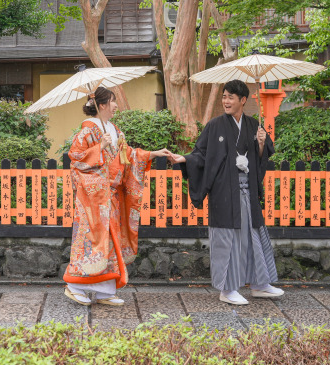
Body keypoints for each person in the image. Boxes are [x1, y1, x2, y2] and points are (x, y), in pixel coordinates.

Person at [168, 80, 282, 305]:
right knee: (227, 239)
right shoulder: (215, 125)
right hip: (224, 191)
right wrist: (185, 159)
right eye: (224, 96)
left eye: (231, 97)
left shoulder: (253, 125)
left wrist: (260, 144)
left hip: (247, 189)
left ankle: (260, 283)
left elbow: (263, 156)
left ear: (243, 100)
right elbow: (201, 154)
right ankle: (227, 289)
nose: (226, 101)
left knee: (254, 235)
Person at [63, 86, 170, 306]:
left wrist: (153, 153)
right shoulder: (88, 131)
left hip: (110, 197)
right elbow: (76, 158)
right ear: (101, 104)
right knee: (91, 243)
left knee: (111, 243)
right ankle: (74, 286)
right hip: (93, 199)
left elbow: (129, 155)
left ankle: (105, 290)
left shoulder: (114, 130)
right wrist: (98, 149)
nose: (115, 105)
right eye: (112, 101)